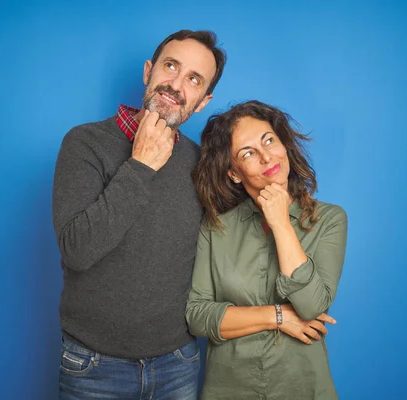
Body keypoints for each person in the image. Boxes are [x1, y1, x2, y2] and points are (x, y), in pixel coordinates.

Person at [52, 30, 226, 399]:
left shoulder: (200, 164)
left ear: (202, 101)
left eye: (193, 79)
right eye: (171, 66)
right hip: (93, 368)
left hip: (177, 364)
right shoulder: (84, 143)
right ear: (149, 71)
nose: (176, 84)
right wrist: (141, 165)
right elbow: (78, 250)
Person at [186, 100, 348, 399]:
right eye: (247, 153)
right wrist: (279, 316)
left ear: (284, 144)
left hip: (303, 386)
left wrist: (281, 224)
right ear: (234, 172)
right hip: (229, 389)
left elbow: (312, 306)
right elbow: (197, 315)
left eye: (269, 141)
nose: (266, 157)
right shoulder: (216, 228)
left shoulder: (330, 219)